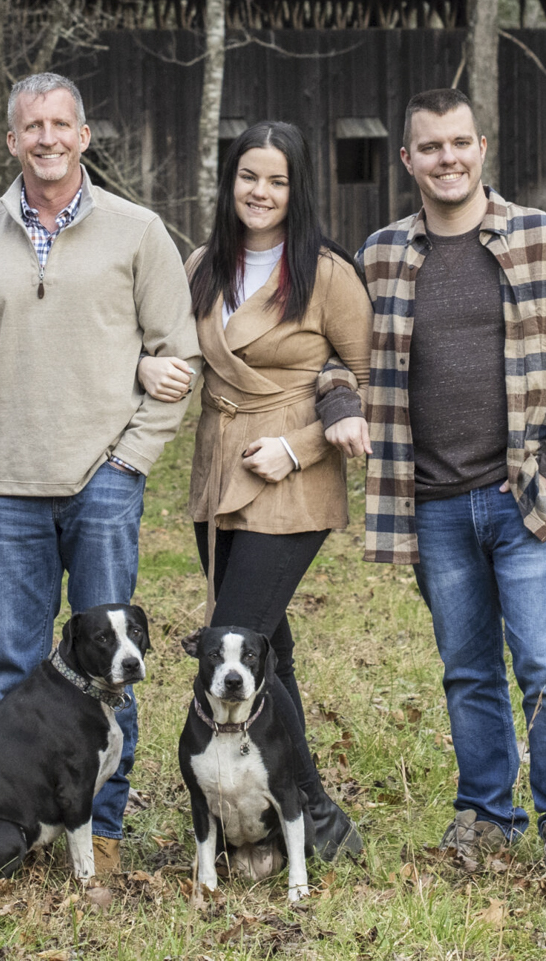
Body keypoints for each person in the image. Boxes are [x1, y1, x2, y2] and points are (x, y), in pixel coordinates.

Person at [0, 72, 201, 878]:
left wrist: (131, 460)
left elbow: (176, 354)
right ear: (11, 142)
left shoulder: (136, 231)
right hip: (8, 483)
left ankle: (102, 825)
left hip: (103, 482)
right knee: (18, 664)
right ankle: (24, 815)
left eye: (61, 124)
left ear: (84, 135)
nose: (46, 137)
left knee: (113, 665)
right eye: (30, 126)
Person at [353, 87, 546, 877]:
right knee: (468, 671)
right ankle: (488, 812)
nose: (447, 158)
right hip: (431, 504)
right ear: (408, 160)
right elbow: (335, 349)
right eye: (429, 147)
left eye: (459, 142)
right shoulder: (382, 255)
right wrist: (335, 399)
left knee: (543, 664)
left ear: (482, 146)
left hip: (526, 499)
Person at [157, 120, 373, 863]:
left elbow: (370, 374)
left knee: (237, 635)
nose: (262, 191)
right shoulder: (201, 263)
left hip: (292, 474)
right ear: (232, 181)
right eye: (250, 176)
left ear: (297, 188)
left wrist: (300, 445)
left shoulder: (326, 271)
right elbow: (168, 350)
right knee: (267, 645)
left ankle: (313, 810)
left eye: (278, 180)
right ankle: (290, 808)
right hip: (219, 468)